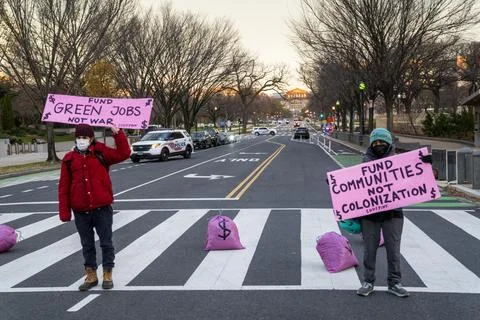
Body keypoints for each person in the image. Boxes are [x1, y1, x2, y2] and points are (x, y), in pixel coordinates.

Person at [356, 128, 432, 298]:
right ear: (371, 144)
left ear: (389, 143)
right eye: (375, 142)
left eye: (382, 141)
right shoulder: (364, 162)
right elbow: (353, 187)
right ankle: (368, 281)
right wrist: (336, 186)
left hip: (393, 214)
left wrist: (427, 165)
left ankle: (395, 282)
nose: (379, 145)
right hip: (370, 215)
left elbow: (417, 180)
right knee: (369, 250)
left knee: (393, 250)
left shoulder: (401, 163)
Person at [58, 124, 131, 291]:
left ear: (91, 138)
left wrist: (117, 134)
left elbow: (124, 153)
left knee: (106, 242)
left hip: (101, 207)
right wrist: (64, 212)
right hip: (81, 210)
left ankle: (107, 273)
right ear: (75, 138)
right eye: (79, 137)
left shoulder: (100, 152)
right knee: (87, 244)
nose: (82, 140)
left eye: (85, 137)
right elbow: (63, 187)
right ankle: (91, 275)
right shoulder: (69, 159)